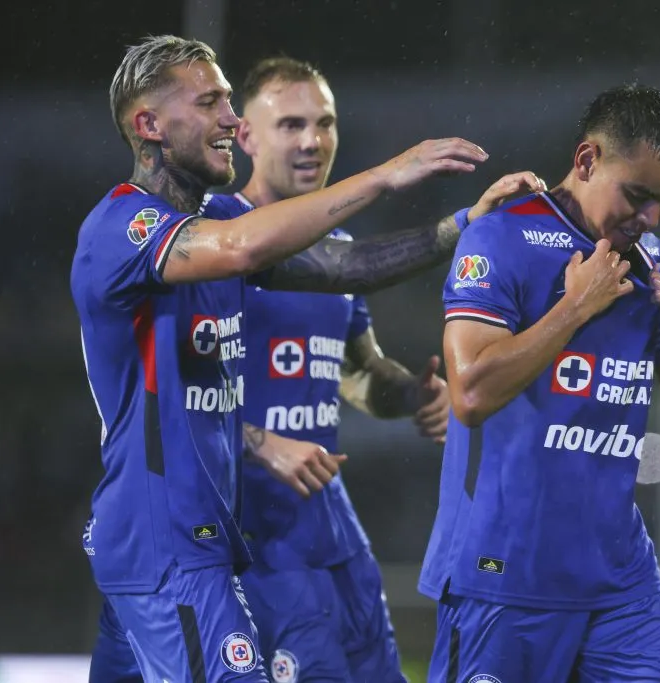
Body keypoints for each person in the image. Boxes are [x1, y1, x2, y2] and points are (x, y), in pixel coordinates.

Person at [76, 34, 490, 682]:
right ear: (149, 124)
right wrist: (384, 174)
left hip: (216, 542)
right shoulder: (126, 227)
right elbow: (241, 247)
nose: (229, 118)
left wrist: (466, 223)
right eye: (211, 102)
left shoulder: (216, 240)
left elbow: (346, 267)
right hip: (176, 545)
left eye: (323, 123)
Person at [213, 57, 546, 683]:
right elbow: (172, 392)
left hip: (330, 522)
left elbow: (357, 374)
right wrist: (257, 443)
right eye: (290, 124)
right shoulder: (220, 234)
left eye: (325, 123)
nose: (312, 140)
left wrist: (412, 393)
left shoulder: (336, 247)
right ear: (246, 137)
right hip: (254, 527)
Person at [418, 83, 660, 683]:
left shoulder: (656, 264)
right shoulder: (502, 237)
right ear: (588, 160)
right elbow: (472, 393)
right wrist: (573, 309)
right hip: (504, 574)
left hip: (619, 583)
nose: (651, 219)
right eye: (638, 196)